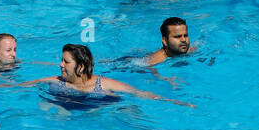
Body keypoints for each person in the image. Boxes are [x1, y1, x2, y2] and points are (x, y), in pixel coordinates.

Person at [23, 43, 176, 101]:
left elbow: (138, 93)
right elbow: (23, 85)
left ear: (81, 67)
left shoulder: (103, 84)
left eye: (66, 62)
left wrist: (174, 101)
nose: (60, 64)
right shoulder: (57, 81)